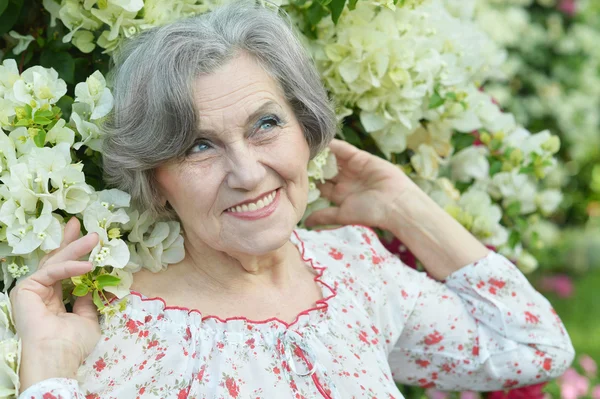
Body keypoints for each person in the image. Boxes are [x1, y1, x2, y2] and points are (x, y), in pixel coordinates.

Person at [13, 3, 574, 399]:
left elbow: (532, 346)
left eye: (265, 125)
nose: (248, 172)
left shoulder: (355, 271)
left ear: (306, 131)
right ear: (155, 178)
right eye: (199, 146)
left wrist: (404, 206)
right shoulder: (115, 329)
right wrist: (51, 368)